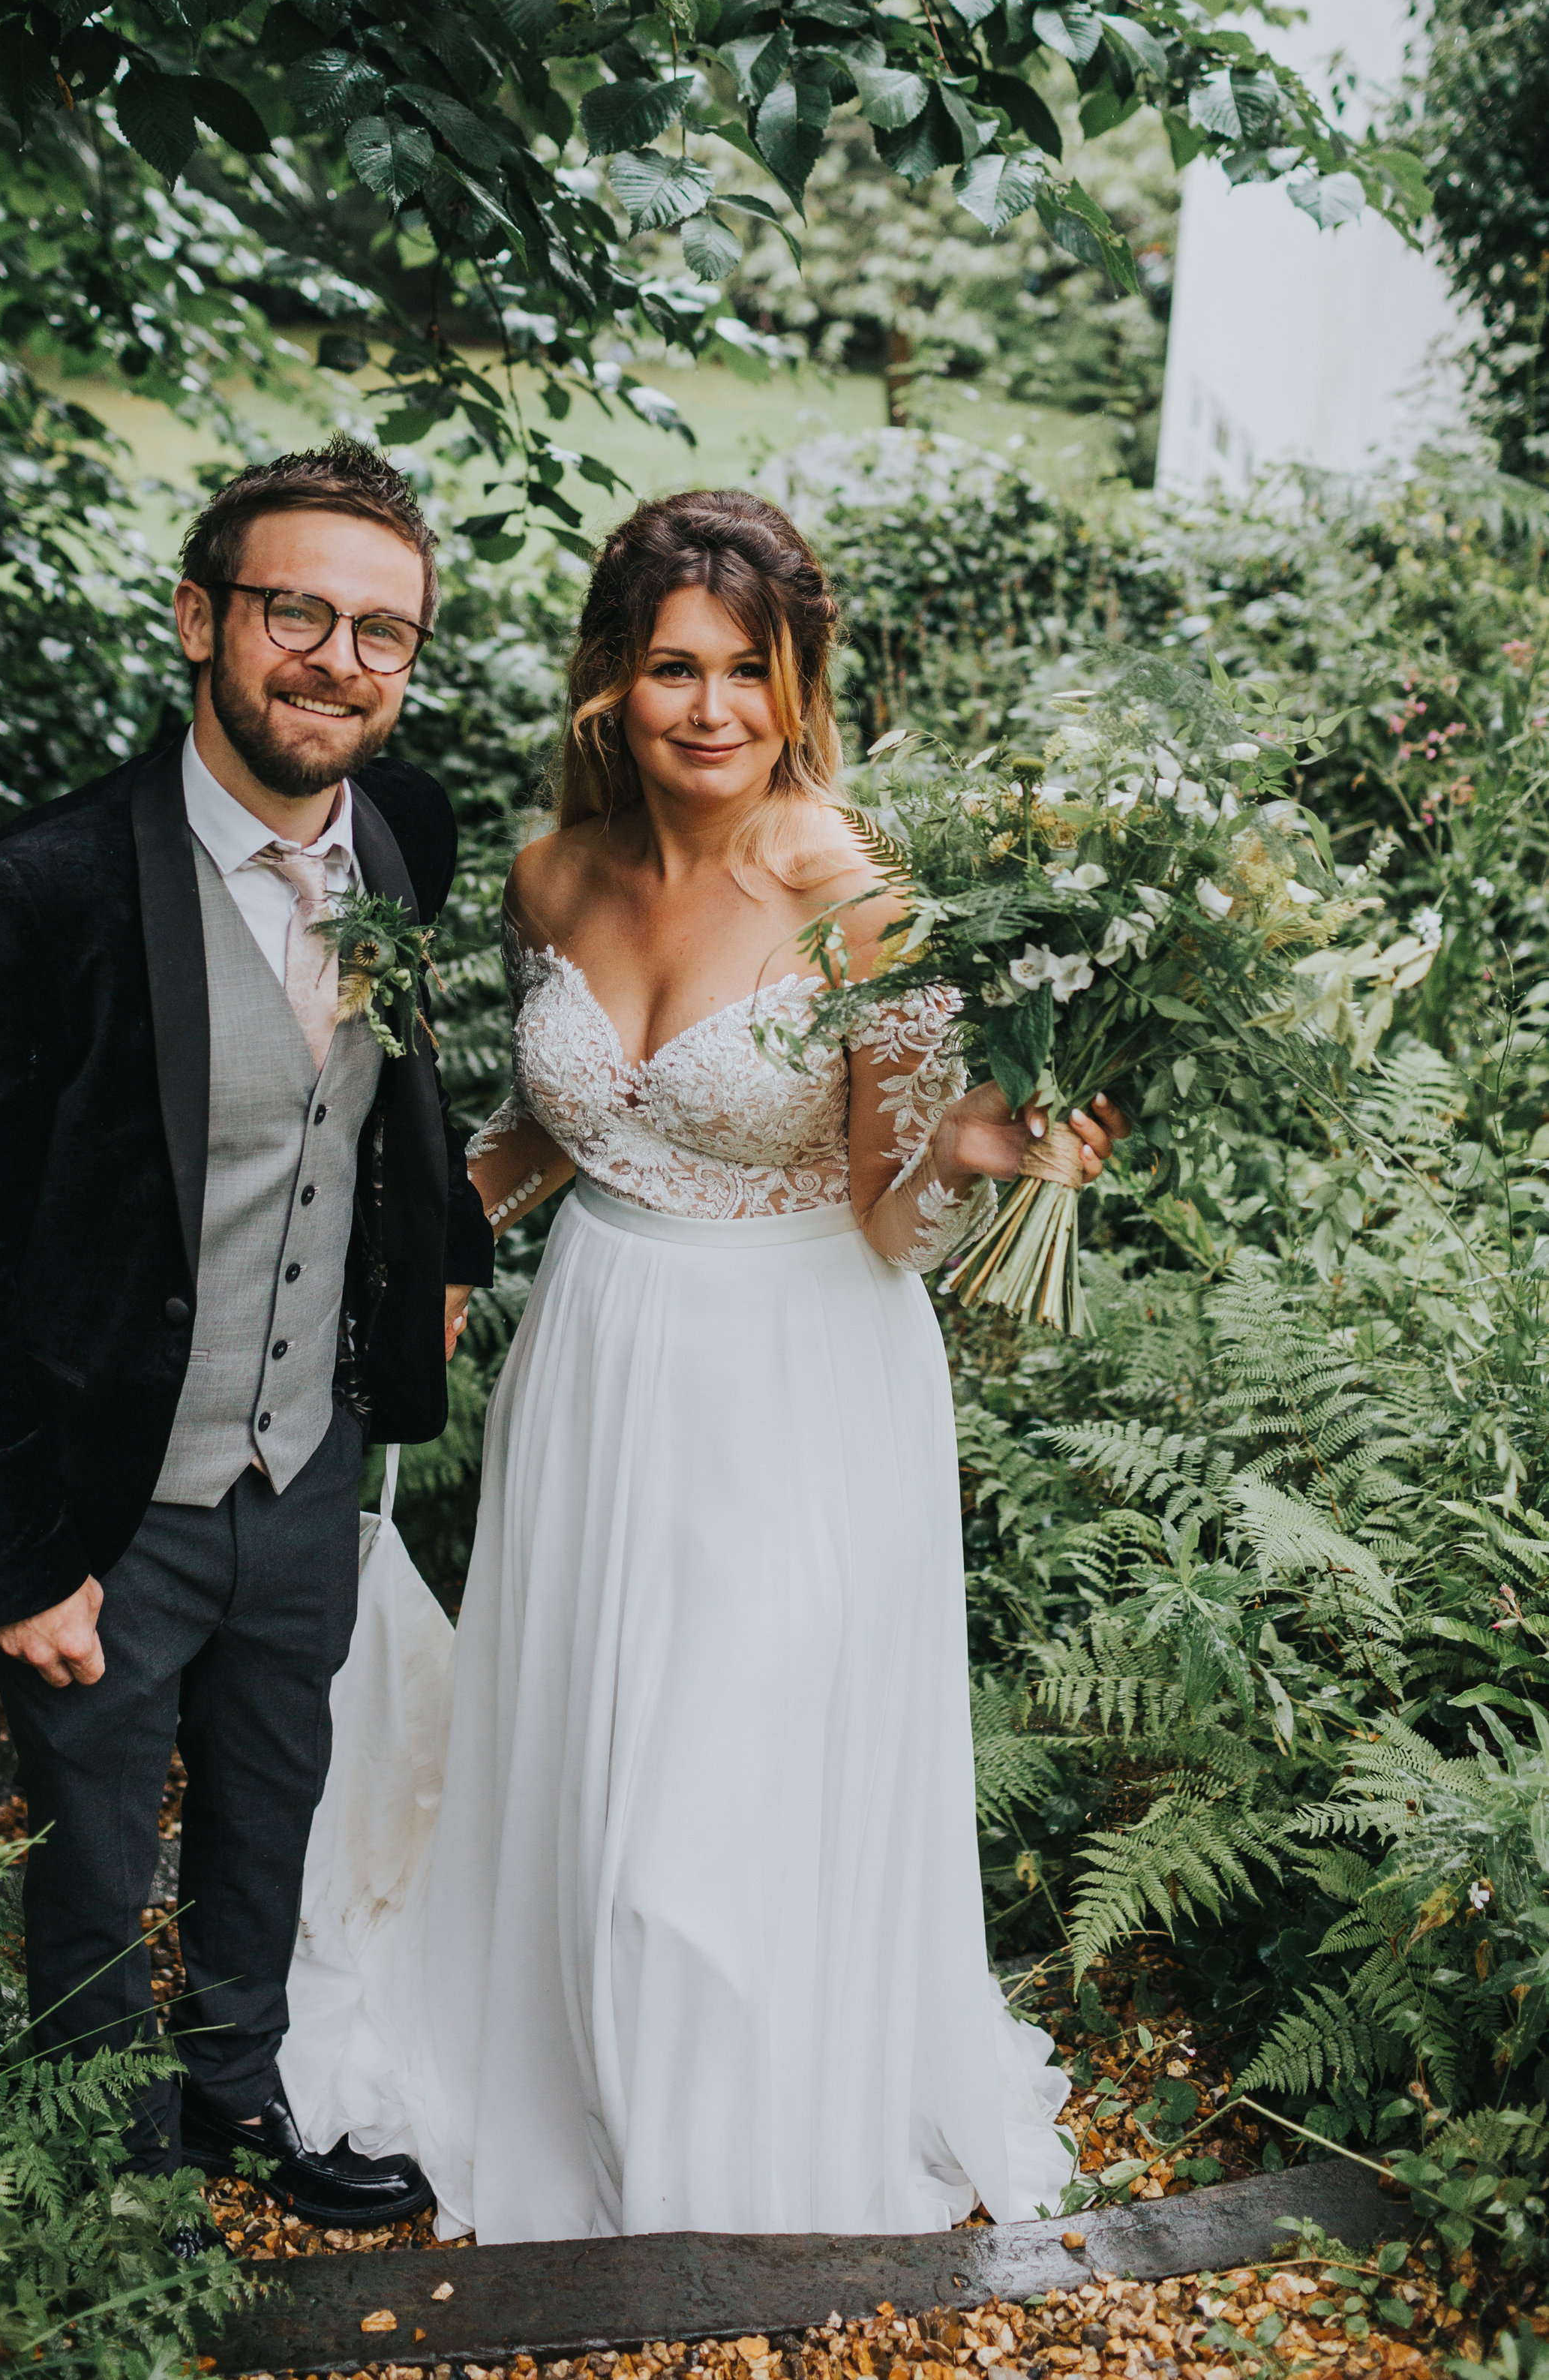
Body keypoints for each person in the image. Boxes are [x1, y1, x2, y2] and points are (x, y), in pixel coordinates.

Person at [279, 487, 1127, 2242]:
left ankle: (724, 2167)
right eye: (673, 667)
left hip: (797, 1380)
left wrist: (980, 1155)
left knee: (711, 1799)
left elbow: (890, 1219)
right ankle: (575, 2087)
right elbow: (551, 1129)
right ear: (612, 681)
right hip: (595, 1363)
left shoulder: (855, 896)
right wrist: (419, 1249)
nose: (712, 708)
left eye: (750, 670)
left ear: (797, 681)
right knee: (594, 1763)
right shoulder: (547, 878)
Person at [0, 437, 492, 2227]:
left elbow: (399, 1101)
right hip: (103, 1488)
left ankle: (238, 2095)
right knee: (85, 1847)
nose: (337, 659)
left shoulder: (403, 834)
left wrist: (437, 1245)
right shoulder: (41, 887)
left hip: (298, 1462)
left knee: (270, 1800)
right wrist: (8, 1557)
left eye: (383, 632)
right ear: (198, 619)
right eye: (296, 609)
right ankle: (98, 2166)